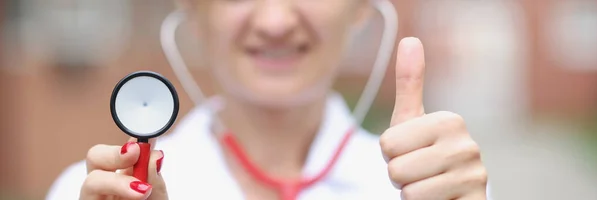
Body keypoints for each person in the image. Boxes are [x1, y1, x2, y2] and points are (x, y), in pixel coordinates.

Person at [47, 0, 490, 199]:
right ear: (191, 9)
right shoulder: (92, 193)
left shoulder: (438, 187)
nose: (275, 20)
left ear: (360, 7)